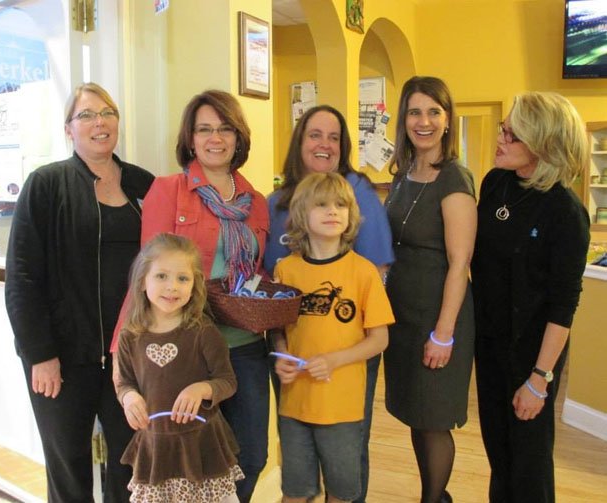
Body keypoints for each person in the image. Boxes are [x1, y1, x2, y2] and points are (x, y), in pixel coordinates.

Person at [111, 89, 269, 503]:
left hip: (243, 344)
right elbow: (147, 272)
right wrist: (121, 355)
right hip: (181, 345)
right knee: (186, 460)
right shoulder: (168, 190)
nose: (215, 138)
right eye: (204, 129)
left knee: (250, 457)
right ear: (191, 138)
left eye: (224, 128)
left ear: (238, 137)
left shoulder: (258, 203)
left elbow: (257, 275)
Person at [5, 82, 155, 502]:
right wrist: (39, 354)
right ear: (69, 129)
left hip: (129, 357)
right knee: (69, 467)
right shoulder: (46, 185)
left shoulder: (144, 186)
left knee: (130, 463)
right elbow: (22, 276)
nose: (99, 122)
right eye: (86, 115)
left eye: (107, 112)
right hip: (63, 359)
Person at [265, 105, 394, 503]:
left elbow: (378, 334)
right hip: (296, 396)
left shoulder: (362, 268)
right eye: (315, 134)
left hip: (342, 393)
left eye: (334, 137)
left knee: (344, 478)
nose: (324, 144)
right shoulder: (286, 260)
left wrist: (339, 357)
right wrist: (281, 354)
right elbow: (277, 325)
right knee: (297, 484)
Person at [471, 92, 590, 503]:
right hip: (489, 346)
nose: (500, 139)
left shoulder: (565, 211)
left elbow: (563, 305)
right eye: (504, 129)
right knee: (499, 456)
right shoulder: (495, 183)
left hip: (532, 355)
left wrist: (539, 380)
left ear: (542, 144)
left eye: (512, 134)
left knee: (529, 467)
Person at [383, 76, 476, 503]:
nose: (424, 121)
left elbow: (460, 264)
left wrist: (444, 333)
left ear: (447, 118)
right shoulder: (403, 174)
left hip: (438, 315)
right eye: (415, 112)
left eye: (434, 112)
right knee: (417, 416)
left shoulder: (453, 179)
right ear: (403, 119)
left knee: (434, 419)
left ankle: (434, 499)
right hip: (402, 316)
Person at [115, 233, 242, 503]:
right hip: (157, 449)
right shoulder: (130, 335)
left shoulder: (203, 332)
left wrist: (202, 388)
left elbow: (227, 381)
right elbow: (124, 382)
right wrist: (129, 397)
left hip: (202, 447)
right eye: (161, 276)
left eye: (182, 278)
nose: (172, 287)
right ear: (142, 281)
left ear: (194, 284)